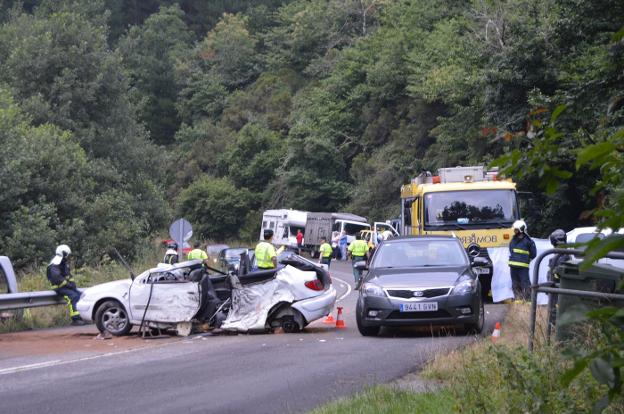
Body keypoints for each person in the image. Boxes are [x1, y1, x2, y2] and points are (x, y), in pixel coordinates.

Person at [47, 244, 85, 326]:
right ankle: (76, 319)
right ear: (63, 253)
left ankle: (83, 316)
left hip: (66, 287)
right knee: (73, 297)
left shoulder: (63, 263)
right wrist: (68, 284)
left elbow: (68, 275)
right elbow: (57, 278)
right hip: (59, 288)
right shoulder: (55, 264)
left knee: (80, 295)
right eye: (67, 254)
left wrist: (73, 284)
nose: (68, 256)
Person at [508, 220, 537, 301]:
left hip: (523, 268)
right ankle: (518, 301)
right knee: (515, 284)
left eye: (516, 229)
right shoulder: (513, 240)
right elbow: (511, 250)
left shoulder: (529, 242)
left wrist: (524, 260)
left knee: (525, 284)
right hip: (513, 267)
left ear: (521, 229)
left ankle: (528, 302)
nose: (514, 231)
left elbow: (533, 254)